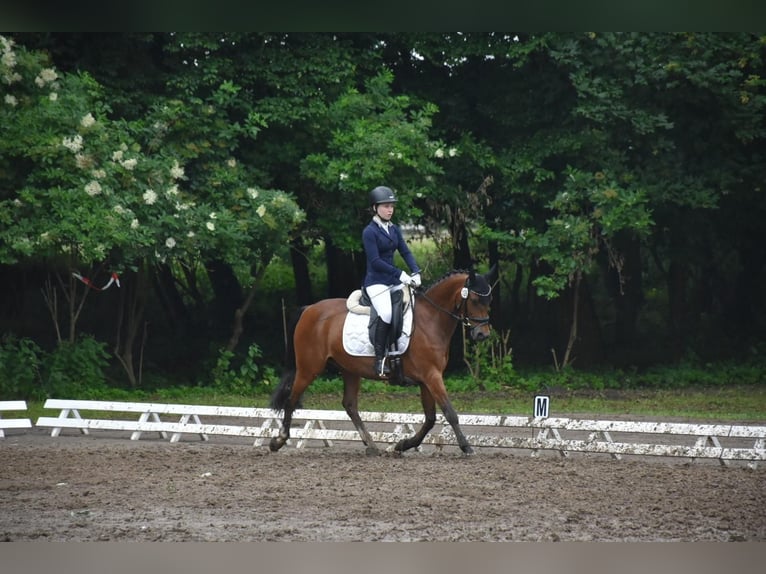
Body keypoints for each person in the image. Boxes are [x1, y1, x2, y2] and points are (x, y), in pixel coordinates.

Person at [362, 185, 421, 377]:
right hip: (376, 282)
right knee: (386, 313)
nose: (390, 209)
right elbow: (375, 261)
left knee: (414, 304)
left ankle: (404, 354)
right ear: (375, 208)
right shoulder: (369, 232)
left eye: (391, 206)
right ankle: (380, 360)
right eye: (385, 206)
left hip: (392, 280)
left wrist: (415, 270)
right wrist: (400, 274)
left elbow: (405, 251)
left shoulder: (393, 229)